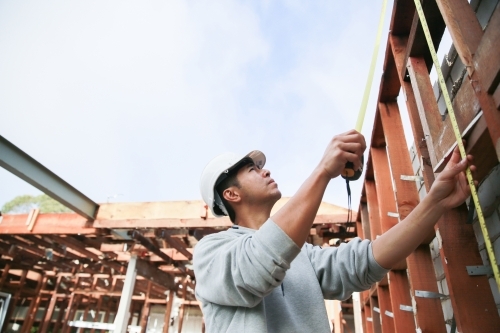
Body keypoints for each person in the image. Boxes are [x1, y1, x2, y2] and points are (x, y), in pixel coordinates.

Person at [193, 130, 475, 333]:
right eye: (252, 170)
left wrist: (435, 202)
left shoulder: (301, 255)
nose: (265, 172)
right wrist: (323, 171)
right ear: (230, 194)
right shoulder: (211, 254)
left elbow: (363, 262)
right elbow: (257, 265)